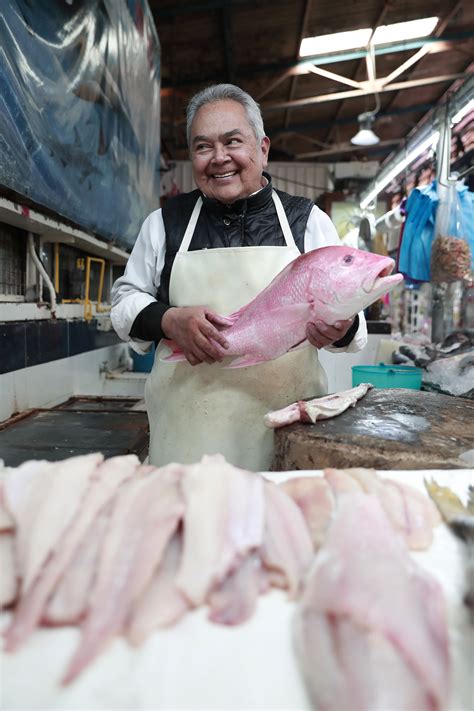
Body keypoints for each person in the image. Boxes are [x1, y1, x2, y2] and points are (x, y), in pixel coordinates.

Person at [111, 83, 367, 470]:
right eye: (203, 147)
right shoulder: (165, 224)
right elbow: (124, 302)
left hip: (285, 439)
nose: (219, 158)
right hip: (185, 442)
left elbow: (352, 324)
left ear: (262, 149)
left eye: (233, 141)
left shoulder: (307, 221)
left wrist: (341, 327)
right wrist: (167, 320)